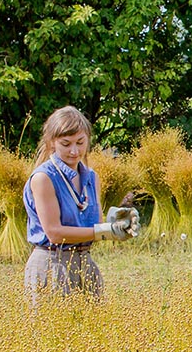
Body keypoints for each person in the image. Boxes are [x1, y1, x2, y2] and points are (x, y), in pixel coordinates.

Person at [23, 106, 139, 303]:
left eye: (80, 142)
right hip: (52, 265)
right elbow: (54, 233)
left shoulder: (92, 178)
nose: (74, 151)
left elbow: (95, 224)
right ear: (52, 143)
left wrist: (116, 220)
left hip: (85, 263)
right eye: (66, 144)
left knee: (93, 332)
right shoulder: (43, 178)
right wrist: (104, 230)